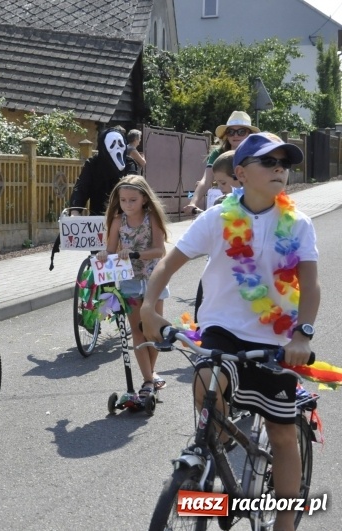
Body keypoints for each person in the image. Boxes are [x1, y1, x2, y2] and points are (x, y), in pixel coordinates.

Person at [141, 133, 320, 531]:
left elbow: (311, 286)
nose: (279, 168)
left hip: (277, 340)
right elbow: (168, 264)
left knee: (281, 434)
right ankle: (210, 462)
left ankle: (285, 523)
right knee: (206, 382)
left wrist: (302, 335)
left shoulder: (299, 224)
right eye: (268, 162)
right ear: (239, 173)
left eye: (284, 163)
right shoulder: (217, 218)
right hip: (221, 328)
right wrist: (150, 306)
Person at [95, 175, 169, 396]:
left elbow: (160, 250)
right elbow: (110, 250)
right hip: (129, 281)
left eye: (133, 200)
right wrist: (103, 255)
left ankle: (151, 373)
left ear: (145, 199)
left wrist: (136, 253)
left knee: (153, 331)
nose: (127, 205)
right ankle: (148, 381)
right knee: (137, 331)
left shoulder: (152, 218)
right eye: (123, 200)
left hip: (154, 278)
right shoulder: (118, 221)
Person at [193, 150, 243, 321]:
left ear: (240, 177)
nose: (221, 189)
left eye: (223, 183)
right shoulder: (220, 204)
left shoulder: (223, 203)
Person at [183, 111, 259, 215]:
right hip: (220, 202)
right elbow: (206, 180)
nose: (235, 135)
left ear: (249, 134)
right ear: (226, 134)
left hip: (249, 204)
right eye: (230, 132)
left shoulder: (257, 154)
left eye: (241, 131)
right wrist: (193, 203)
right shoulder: (218, 153)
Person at [69, 127, 127, 215]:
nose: (117, 148)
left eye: (120, 144)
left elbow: (135, 190)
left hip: (126, 219)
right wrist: (75, 211)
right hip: (97, 219)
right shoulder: (93, 164)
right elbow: (81, 188)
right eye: (113, 144)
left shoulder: (129, 164)